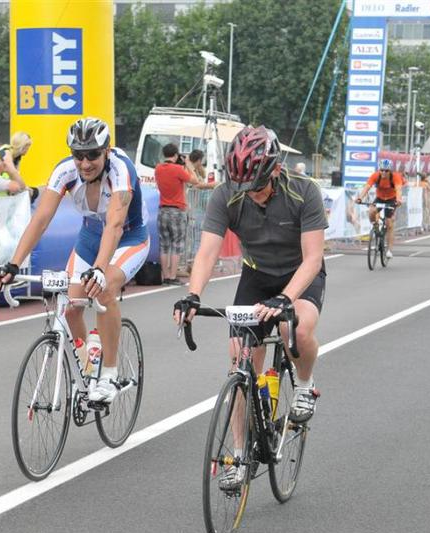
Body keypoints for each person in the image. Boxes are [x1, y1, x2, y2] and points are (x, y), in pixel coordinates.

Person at [173, 126, 327, 461]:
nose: (250, 194)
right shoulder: (226, 194)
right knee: (239, 360)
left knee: (294, 328)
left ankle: (304, 384)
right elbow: (207, 252)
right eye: (243, 186)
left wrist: (285, 298)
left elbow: (313, 258)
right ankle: (239, 454)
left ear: (276, 170)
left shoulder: (304, 191)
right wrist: (193, 295)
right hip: (257, 275)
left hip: (299, 273)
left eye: (256, 186)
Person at [0, 117, 149, 404]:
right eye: (78, 155)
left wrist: (99, 269)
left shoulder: (120, 170)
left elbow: (115, 226)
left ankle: (109, 375)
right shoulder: (65, 171)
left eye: (93, 155)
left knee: (103, 289)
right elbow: (40, 219)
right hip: (90, 237)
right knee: (72, 306)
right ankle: (89, 369)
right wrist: (13, 264)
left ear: (107, 151)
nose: (85, 163)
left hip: (129, 237)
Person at [154, 142, 215, 285]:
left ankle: (165, 276)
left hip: (162, 210)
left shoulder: (158, 168)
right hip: (177, 210)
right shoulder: (177, 169)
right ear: (176, 155)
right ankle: (172, 276)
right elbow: (195, 180)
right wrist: (188, 164)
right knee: (177, 244)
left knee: (164, 245)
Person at [355, 158, 404, 259]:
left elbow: (398, 190)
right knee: (371, 211)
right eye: (382, 170)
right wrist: (360, 198)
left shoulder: (396, 177)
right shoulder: (375, 176)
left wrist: (399, 200)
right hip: (380, 198)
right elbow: (367, 187)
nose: (384, 173)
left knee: (389, 223)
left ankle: (389, 250)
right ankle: (375, 226)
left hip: (391, 199)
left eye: (386, 171)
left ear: (390, 171)